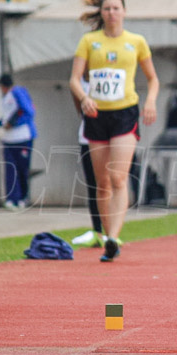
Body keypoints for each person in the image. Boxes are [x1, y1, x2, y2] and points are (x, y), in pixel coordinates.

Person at [69, 0, 159, 262]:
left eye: (116, 8)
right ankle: (110, 238)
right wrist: (84, 98)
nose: (111, 13)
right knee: (102, 182)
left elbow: (153, 79)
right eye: (106, 9)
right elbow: (74, 79)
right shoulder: (89, 41)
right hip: (97, 115)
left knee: (119, 177)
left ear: (124, 11)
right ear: (102, 13)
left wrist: (150, 102)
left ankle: (113, 237)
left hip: (124, 114)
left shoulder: (136, 42)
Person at [0, 73, 36, 209]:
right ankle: (12, 198)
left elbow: (28, 112)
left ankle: (23, 198)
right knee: (10, 168)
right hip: (9, 139)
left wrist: (13, 123)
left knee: (22, 169)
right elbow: (6, 118)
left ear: (3, 85)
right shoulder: (5, 98)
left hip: (23, 137)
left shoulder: (18, 92)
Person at [71, 76, 105, 248]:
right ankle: (97, 230)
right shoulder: (77, 84)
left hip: (107, 137)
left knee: (107, 184)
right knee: (93, 186)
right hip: (87, 137)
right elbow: (80, 108)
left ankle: (110, 232)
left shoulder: (106, 75)